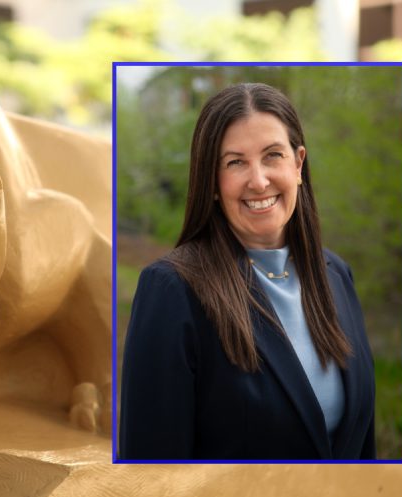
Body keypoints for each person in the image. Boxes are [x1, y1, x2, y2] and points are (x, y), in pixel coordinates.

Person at [119, 83, 376, 460]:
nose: (258, 180)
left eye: (273, 155)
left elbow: (362, 445)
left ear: (298, 164)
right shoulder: (173, 290)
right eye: (235, 162)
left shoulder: (335, 274)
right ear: (212, 181)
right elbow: (151, 469)